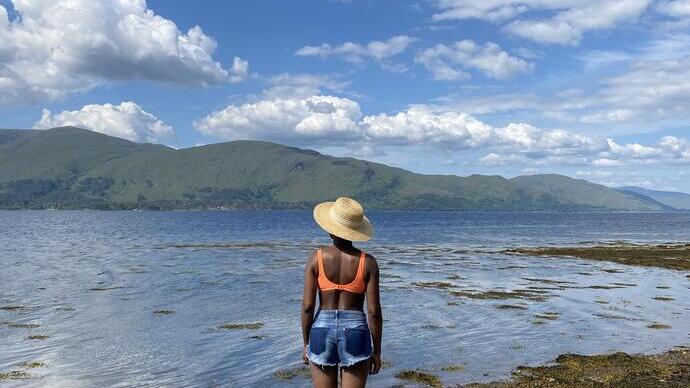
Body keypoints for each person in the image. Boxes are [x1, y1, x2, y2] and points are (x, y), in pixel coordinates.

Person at [301, 197, 382, 388]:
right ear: (356, 231)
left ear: (330, 229)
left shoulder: (316, 258)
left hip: (321, 329)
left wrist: (306, 345)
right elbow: (374, 312)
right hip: (356, 330)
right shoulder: (368, 262)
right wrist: (377, 352)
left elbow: (307, 307)